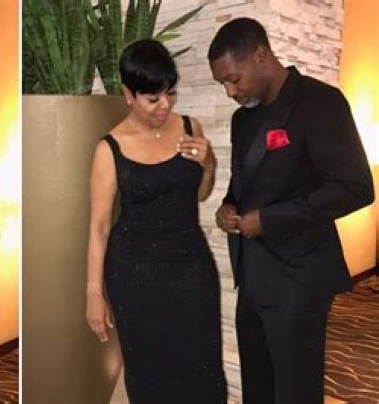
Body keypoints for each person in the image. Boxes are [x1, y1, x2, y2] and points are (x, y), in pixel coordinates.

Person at [208, 17, 374, 403]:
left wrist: (269, 219)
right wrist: (228, 206)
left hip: (299, 280)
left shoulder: (320, 103)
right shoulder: (242, 118)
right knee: (258, 390)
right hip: (253, 279)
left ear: (261, 56)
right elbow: (245, 184)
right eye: (223, 84)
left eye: (233, 79)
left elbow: (355, 188)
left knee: (296, 394)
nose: (230, 92)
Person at [85, 40, 227, 403]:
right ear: (128, 94)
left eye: (170, 93)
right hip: (135, 275)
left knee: (202, 365)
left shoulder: (190, 127)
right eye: (153, 98)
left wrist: (208, 163)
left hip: (191, 266)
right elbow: (99, 227)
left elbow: (201, 194)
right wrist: (94, 294)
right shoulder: (109, 149)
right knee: (150, 371)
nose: (165, 105)